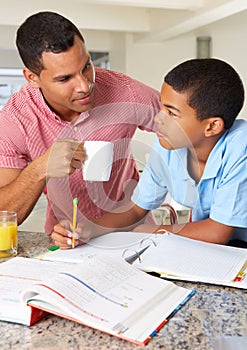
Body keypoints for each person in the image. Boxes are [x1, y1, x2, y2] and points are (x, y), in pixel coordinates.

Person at [51, 58, 247, 248]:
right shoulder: (168, 145)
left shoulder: (241, 148)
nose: (158, 118)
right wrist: (88, 229)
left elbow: (216, 233)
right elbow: (137, 209)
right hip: (218, 250)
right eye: (162, 107)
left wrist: (152, 231)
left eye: (171, 113)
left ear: (212, 126)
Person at [0, 11, 161, 233]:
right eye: (64, 78)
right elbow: (4, 213)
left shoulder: (126, 92)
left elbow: (191, 130)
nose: (85, 86)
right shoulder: (15, 119)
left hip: (134, 233)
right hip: (68, 237)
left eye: (86, 66)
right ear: (32, 78)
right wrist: (40, 169)